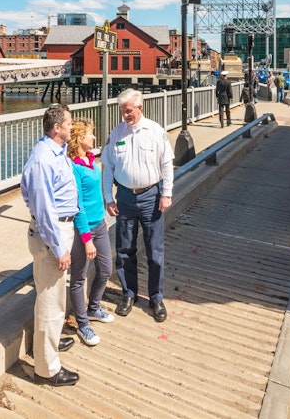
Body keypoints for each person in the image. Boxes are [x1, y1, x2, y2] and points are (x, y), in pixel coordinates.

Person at [101, 89, 174, 323]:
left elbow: (166, 164)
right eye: (123, 111)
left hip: (151, 196)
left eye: (129, 111)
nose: (125, 115)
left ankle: (156, 297)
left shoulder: (155, 131)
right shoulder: (117, 133)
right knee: (124, 249)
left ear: (140, 107)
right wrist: (108, 198)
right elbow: (108, 168)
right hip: (125, 197)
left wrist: (167, 194)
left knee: (154, 251)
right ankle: (129, 293)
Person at [20, 104, 80, 386]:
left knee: (53, 297)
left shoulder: (55, 152)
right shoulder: (43, 158)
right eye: (69, 123)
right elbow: (43, 210)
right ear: (57, 128)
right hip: (52, 234)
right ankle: (47, 369)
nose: (72, 126)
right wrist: (59, 248)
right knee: (50, 302)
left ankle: (49, 344)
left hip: (59, 229)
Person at [67, 117, 114, 348]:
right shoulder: (74, 166)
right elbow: (78, 205)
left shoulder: (90, 159)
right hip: (83, 230)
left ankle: (93, 307)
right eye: (89, 134)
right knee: (79, 277)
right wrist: (86, 239)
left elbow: (95, 195)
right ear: (79, 139)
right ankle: (82, 323)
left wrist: (103, 217)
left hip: (99, 224)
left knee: (105, 269)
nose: (94, 137)